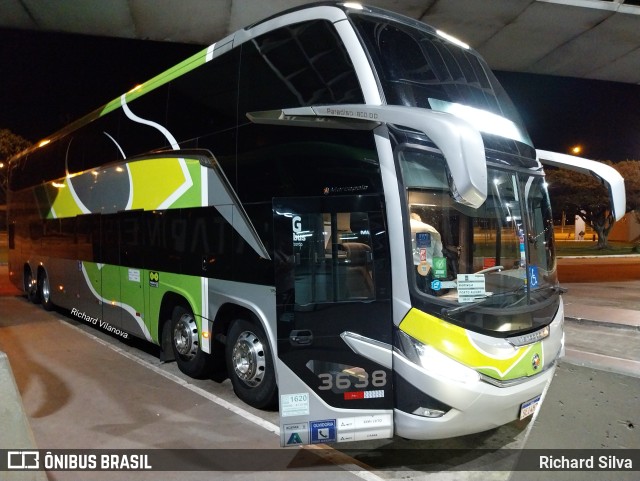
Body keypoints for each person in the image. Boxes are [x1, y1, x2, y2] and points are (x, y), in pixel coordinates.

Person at [410, 212, 444, 293]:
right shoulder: (429, 229)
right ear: (419, 220)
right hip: (425, 268)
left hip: (408, 269)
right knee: (428, 295)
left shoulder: (402, 228)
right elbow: (438, 255)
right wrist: (440, 276)